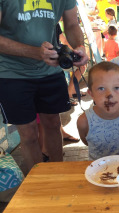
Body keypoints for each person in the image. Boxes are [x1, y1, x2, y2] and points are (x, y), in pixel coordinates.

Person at [0, 1, 88, 172]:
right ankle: (39, 181)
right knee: (29, 134)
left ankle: (57, 176)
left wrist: (79, 46)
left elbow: (71, 23)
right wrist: (34, 52)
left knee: (53, 124)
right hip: (12, 72)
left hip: (50, 69)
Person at [77, 62, 119, 160]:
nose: (109, 95)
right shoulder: (84, 121)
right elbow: (87, 141)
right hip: (98, 170)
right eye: (101, 88)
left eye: (117, 88)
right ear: (91, 94)